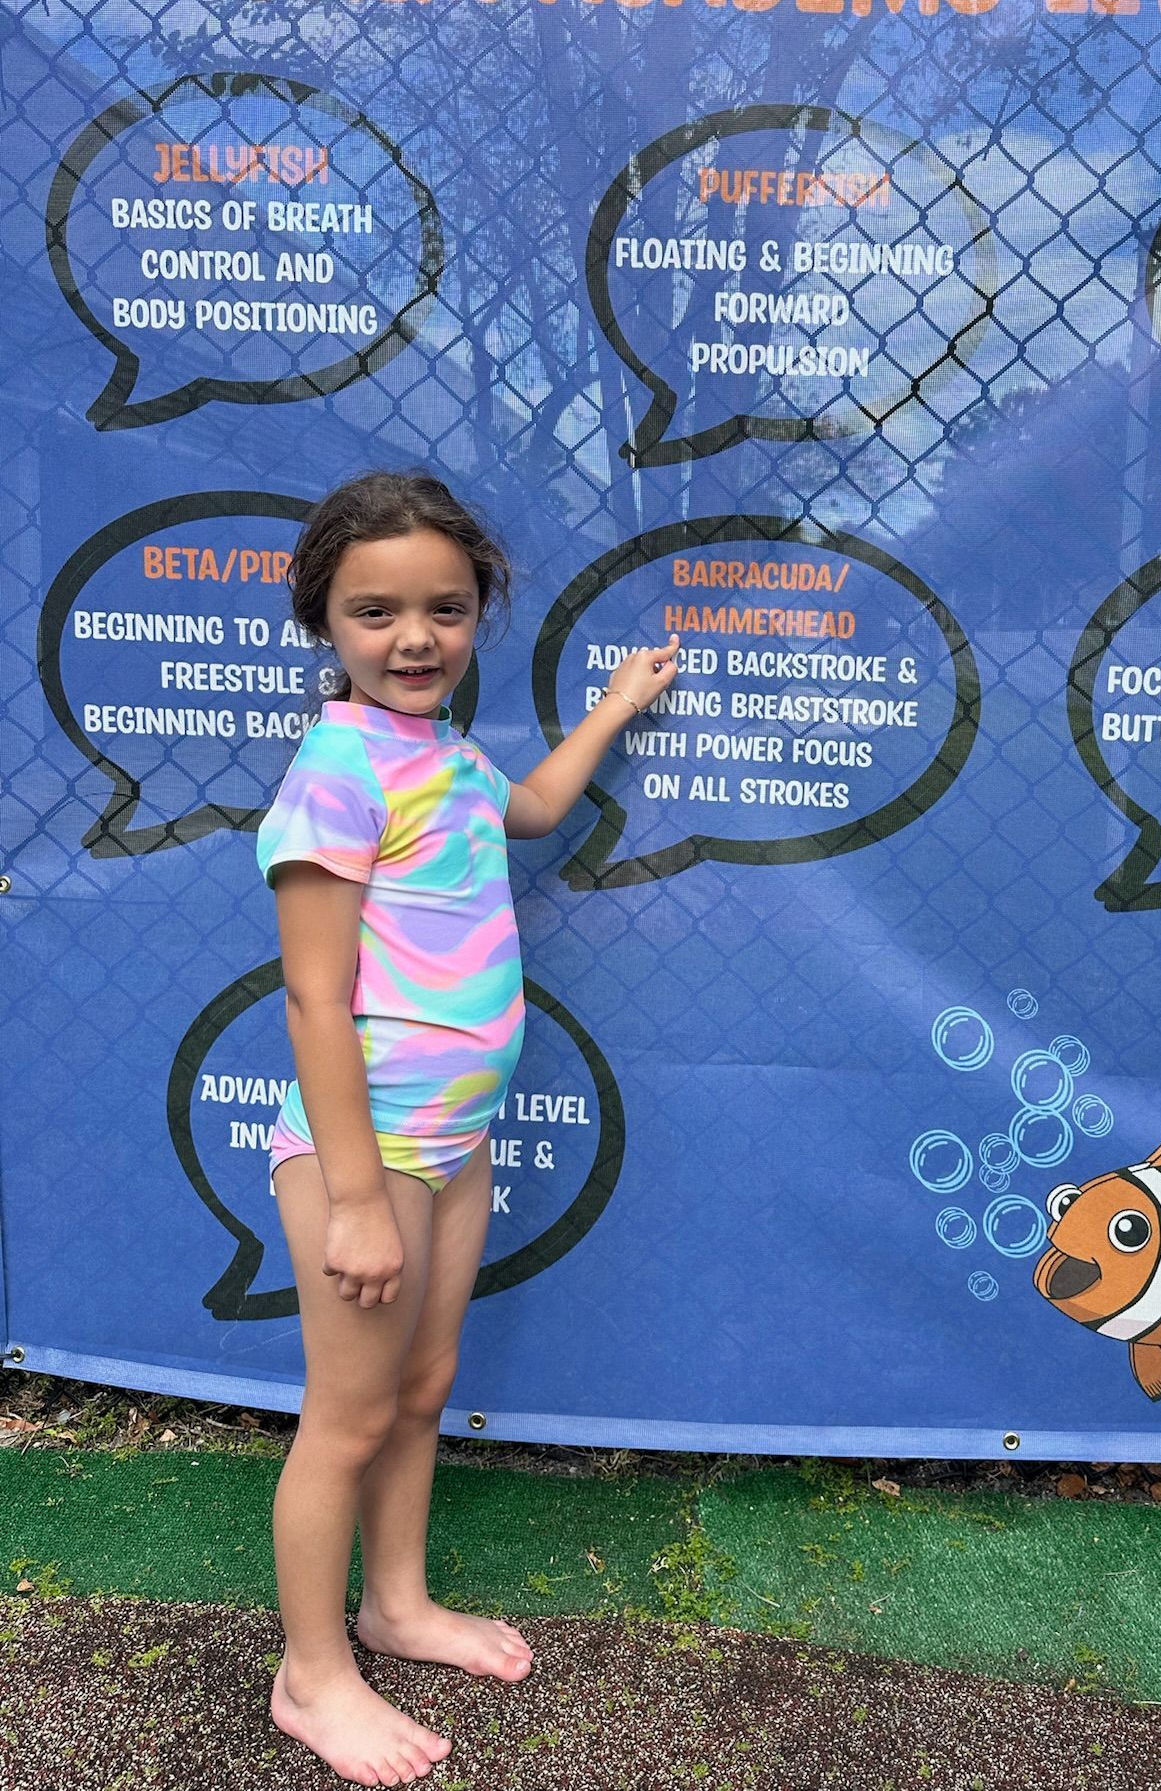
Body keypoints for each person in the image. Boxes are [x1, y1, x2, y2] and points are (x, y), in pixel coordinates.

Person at [255, 468, 678, 1786]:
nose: (415, 637)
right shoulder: (335, 770)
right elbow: (317, 999)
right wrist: (361, 1194)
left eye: (445, 607)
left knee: (421, 1391)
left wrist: (611, 707)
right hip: (362, 1152)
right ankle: (312, 1676)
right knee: (348, 1412)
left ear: (480, 612)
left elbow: (534, 813)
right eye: (376, 612)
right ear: (325, 620)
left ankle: (396, 1607)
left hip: (454, 1139)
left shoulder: (442, 754)